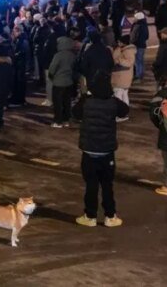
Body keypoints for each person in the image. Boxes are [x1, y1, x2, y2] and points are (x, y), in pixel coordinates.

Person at [71, 71, 127, 228]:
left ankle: (90, 215)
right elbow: (125, 110)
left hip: (89, 150)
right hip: (107, 151)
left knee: (91, 185)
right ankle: (110, 215)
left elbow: (75, 113)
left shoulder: (86, 102)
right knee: (107, 185)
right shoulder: (113, 103)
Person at [111, 35, 135, 122]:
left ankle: (121, 115)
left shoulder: (128, 51)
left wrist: (118, 60)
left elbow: (129, 63)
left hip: (121, 77)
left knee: (118, 97)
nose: (118, 43)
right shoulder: (124, 50)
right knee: (124, 95)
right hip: (122, 77)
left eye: (120, 42)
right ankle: (124, 113)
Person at [130, 12, 149, 81]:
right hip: (142, 45)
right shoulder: (144, 25)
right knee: (140, 60)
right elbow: (147, 36)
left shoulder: (137, 26)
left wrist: (131, 43)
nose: (134, 19)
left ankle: (138, 76)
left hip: (137, 45)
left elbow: (133, 37)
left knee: (137, 61)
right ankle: (140, 74)